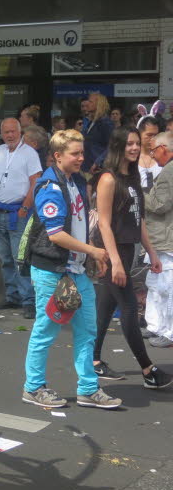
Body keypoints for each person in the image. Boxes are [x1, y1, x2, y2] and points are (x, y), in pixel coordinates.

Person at [20, 129, 119, 409]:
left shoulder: (75, 180)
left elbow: (77, 224)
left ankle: (88, 389)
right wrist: (93, 251)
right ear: (57, 156)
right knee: (46, 330)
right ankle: (33, 387)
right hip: (53, 272)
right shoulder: (49, 187)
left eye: (81, 152)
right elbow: (55, 235)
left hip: (74, 271)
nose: (81, 158)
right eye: (75, 153)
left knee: (87, 330)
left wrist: (90, 257)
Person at [91, 126, 171, 389]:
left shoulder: (133, 176)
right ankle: (148, 370)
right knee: (127, 308)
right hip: (111, 251)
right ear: (117, 147)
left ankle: (93, 362)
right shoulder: (108, 179)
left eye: (137, 143)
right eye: (128, 145)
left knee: (103, 309)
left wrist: (151, 251)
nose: (135, 148)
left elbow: (140, 220)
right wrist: (114, 261)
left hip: (128, 248)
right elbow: (104, 224)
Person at [0, 118, 41, 319]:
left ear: (20, 132)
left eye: (13, 132)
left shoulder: (29, 154)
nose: (9, 135)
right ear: (1, 133)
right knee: (5, 258)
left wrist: (26, 207)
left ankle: (29, 300)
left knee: (21, 258)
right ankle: (12, 296)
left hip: (18, 213)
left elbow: (36, 182)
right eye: (6, 132)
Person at [144, 131, 173, 347]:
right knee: (155, 284)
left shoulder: (169, 171)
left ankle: (169, 332)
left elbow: (159, 205)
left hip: (166, 237)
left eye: (153, 150)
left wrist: (139, 194)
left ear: (163, 149)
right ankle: (156, 326)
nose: (152, 155)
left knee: (167, 286)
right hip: (161, 238)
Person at [82, 92, 113, 173]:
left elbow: (112, 145)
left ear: (99, 104)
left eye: (90, 102)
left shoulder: (105, 122)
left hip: (97, 168)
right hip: (87, 167)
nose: (87, 104)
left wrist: (98, 162)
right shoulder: (91, 122)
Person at [137, 115, 161, 193]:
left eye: (156, 135)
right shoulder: (132, 157)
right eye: (149, 135)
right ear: (139, 134)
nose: (153, 138)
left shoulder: (162, 156)